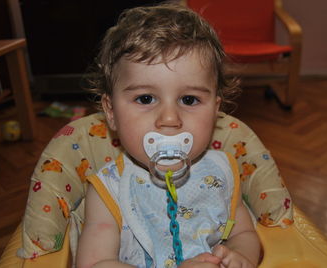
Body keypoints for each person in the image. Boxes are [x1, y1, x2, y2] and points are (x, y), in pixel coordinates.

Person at [76, 3, 261, 268]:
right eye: (146, 98)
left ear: (215, 110)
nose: (170, 119)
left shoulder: (223, 172)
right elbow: (95, 264)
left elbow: (243, 234)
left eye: (189, 99)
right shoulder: (110, 190)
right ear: (111, 111)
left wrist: (240, 257)